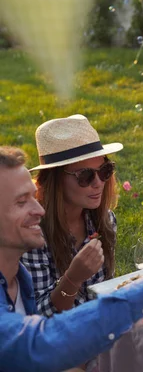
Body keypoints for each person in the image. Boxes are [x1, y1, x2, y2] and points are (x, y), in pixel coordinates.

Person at [0, 146, 143, 372]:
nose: (39, 209)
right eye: (21, 201)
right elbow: (40, 342)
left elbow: (103, 292)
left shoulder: (20, 279)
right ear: (55, 181)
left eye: (105, 171)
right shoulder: (34, 243)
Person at [21, 115, 120, 318]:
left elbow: (106, 289)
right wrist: (73, 279)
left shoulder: (105, 220)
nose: (98, 183)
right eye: (85, 176)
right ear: (55, 180)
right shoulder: (32, 232)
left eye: (104, 170)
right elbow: (38, 315)